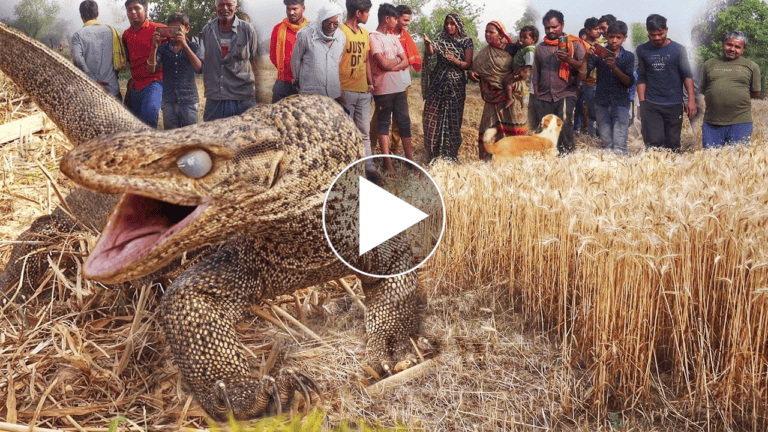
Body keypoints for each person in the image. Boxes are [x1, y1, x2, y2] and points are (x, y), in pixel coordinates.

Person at [636, 14, 696, 151]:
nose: (657, 38)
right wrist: (642, 104)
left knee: (673, 144)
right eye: (653, 35)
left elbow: (687, 75)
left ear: (666, 30)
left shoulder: (678, 49)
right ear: (648, 32)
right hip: (651, 103)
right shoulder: (642, 50)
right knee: (653, 143)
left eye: (660, 34)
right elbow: (642, 77)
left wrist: (691, 100)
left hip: (673, 103)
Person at [530, 9, 585, 154]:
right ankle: (553, 158)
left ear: (562, 25)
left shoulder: (575, 45)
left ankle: (569, 156)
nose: (551, 30)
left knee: (565, 124)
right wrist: (537, 96)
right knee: (548, 129)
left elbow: (585, 67)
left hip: (566, 92)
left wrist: (569, 60)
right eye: (547, 28)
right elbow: (536, 73)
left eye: (554, 27)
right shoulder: (541, 48)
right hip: (544, 95)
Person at [370, 4, 423, 153]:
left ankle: (395, 147)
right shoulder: (378, 36)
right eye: (404, 20)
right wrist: (395, 63)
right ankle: (373, 147)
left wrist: (390, 65)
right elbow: (382, 63)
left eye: (408, 21)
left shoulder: (404, 37)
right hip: (384, 85)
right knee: (381, 118)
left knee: (400, 119)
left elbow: (406, 60)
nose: (406, 23)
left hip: (401, 82)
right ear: (395, 18)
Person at [422, 13, 474, 162]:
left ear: (458, 25)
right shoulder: (441, 38)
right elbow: (431, 52)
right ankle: (433, 153)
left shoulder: (466, 41)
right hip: (438, 83)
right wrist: (427, 44)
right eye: (447, 23)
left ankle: (450, 154)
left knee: (453, 118)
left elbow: (467, 64)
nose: (449, 26)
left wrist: (455, 61)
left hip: (456, 85)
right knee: (433, 116)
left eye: (452, 24)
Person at [468, 21, 520, 160]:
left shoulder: (512, 49)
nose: (487, 35)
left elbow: (523, 70)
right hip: (492, 99)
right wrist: (471, 74)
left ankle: (511, 164)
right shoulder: (484, 53)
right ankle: (487, 164)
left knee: (510, 131)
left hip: (510, 97)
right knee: (488, 131)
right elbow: (474, 69)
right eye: (486, 32)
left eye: (491, 32)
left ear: (500, 33)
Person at [200, 0, 259, 121]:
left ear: (236, 8)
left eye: (229, 5)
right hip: (215, 99)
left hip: (243, 99)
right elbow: (204, 60)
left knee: (245, 137)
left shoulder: (247, 30)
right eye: (221, 4)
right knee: (213, 137)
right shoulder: (207, 30)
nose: (225, 8)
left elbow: (253, 61)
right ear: (216, 7)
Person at [339, 0, 379, 180]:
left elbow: (366, 61)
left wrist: (370, 83)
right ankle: (347, 170)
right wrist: (336, 89)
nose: (368, 15)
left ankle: (369, 167)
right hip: (345, 91)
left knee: (364, 132)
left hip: (363, 92)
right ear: (358, 13)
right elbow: (335, 61)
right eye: (367, 12)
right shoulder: (340, 32)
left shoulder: (364, 34)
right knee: (346, 133)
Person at [700, 31, 761, 148]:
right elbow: (703, 89)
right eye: (729, 45)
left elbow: (756, 93)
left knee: (738, 162)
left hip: (740, 122)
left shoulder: (752, 66)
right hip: (712, 123)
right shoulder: (709, 64)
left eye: (737, 47)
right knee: (710, 162)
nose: (732, 49)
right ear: (723, 45)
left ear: (743, 50)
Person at [585, 20, 635, 155]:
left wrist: (614, 68)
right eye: (611, 37)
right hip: (602, 102)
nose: (614, 41)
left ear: (624, 38)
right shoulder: (598, 54)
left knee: (620, 144)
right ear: (606, 36)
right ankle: (607, 171)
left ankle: (621, 170)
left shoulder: (628, 56)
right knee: (606, 144)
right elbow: (584, 74)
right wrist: (586, 57)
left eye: (618, 37)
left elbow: (629, 82)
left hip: (621, 104)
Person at [147, 12, 202, 130]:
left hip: (189, 101)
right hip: (169, 102)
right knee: (172, 140)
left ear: (187, 29)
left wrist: (185, 45)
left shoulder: (193, 47)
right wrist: (154, 47)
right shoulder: (162, 48)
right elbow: (151, 70)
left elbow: (199, 68)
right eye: (171, 28)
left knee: (190, 138)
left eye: (178, 29)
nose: (174, 32)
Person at [71, 0, 125, 99]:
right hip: (113, 90)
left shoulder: (78, 36)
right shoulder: (112, 32)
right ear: (98, 14)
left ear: (82, 18)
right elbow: (119, 58)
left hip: (90, 94)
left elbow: (78, 59)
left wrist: (93, 80)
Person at [291, 3, 345, 101]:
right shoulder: (305, 34)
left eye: (335, 23)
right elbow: (296, 60)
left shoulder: (341, 37)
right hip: (310, 95)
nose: (331, 26)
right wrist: (297, 79)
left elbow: (338, 62)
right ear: (321, 20)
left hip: (334, 95)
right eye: (328, 23)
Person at [122, 0, 163, 128]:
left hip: (153, 82)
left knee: (148, 121)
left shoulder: (158, 29)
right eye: (129, 9)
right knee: (132, 125)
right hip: (135, 84)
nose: (133, 12)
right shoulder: (126, 35)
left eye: (136, 8)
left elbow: (181, 42)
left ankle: (152, 147)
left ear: (145, 10)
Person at [269, 0, 308, 103]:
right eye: (288, 9)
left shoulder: (311, 30)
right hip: (282, 83)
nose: (291, 12)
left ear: (303, 9)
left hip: (305, 84)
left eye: (295, 9)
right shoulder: (278, 29)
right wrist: (286, 72)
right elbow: (273, 56)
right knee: (276, 117)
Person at [579, 17, 601, 137]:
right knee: (591, 113)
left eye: (599, 29)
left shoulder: (603, 44)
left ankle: (602, 137)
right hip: (589, 82)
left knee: (602, 112)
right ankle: (592, 139)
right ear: (587, 30)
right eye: (595, 29)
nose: (598, 32)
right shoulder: (581, 45)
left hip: (603, 82)